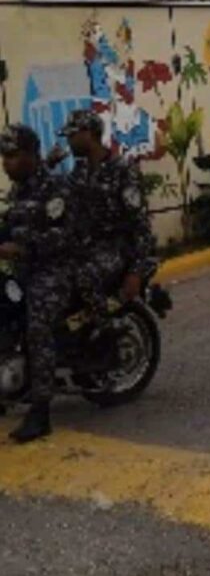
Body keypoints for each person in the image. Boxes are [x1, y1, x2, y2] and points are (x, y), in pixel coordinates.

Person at [0, 123, 80, 443]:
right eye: (4, 156)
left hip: (55, 270)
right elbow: (8, 228)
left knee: (37, 325)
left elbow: (65, 236)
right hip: (24, 269)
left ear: (32, 155)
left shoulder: (55, 188)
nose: (6, 162)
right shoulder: (17, 191)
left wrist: (23, 248)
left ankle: (40, 411)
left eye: (13, 155)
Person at [56, 110, 157, 331]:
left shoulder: (122, 170)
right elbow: (58, 197)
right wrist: (48, 165)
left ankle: (108, 331)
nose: (69, 141)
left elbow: (140, 224)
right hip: (89, 246)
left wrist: (136, 271)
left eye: (72, 135)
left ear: (89, 134)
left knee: (83, 275)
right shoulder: (80, 171)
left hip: (119, 247)